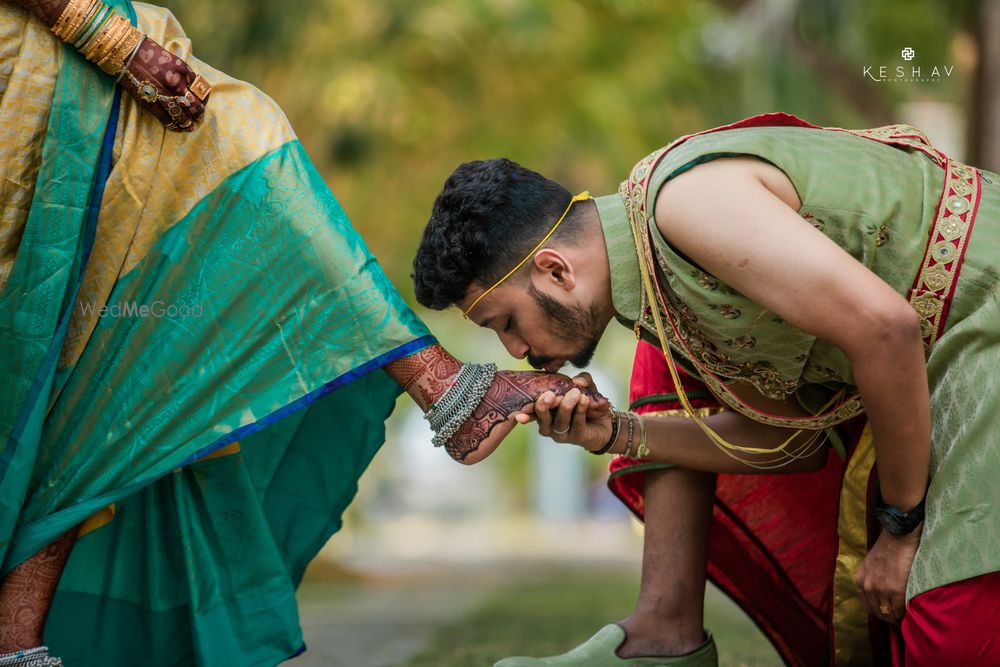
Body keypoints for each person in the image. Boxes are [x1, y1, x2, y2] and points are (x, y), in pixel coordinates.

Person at [0, 1, 600, 664]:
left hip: (87, 54)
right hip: (45, 57)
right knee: (235, 143)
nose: (516, 346)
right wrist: (105, 35)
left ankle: (16, 644)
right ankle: (442, 385)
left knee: (100, 349)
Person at [412, 113, 1000, 666]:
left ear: (556, 270)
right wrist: (615, 432)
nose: (517, 351)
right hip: (945, 356)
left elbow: (883, 327)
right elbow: (793, 444)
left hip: (982, 315)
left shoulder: (685, 206)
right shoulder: (659, 284)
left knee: (948, 638)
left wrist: (901, 531)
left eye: (505, 324)